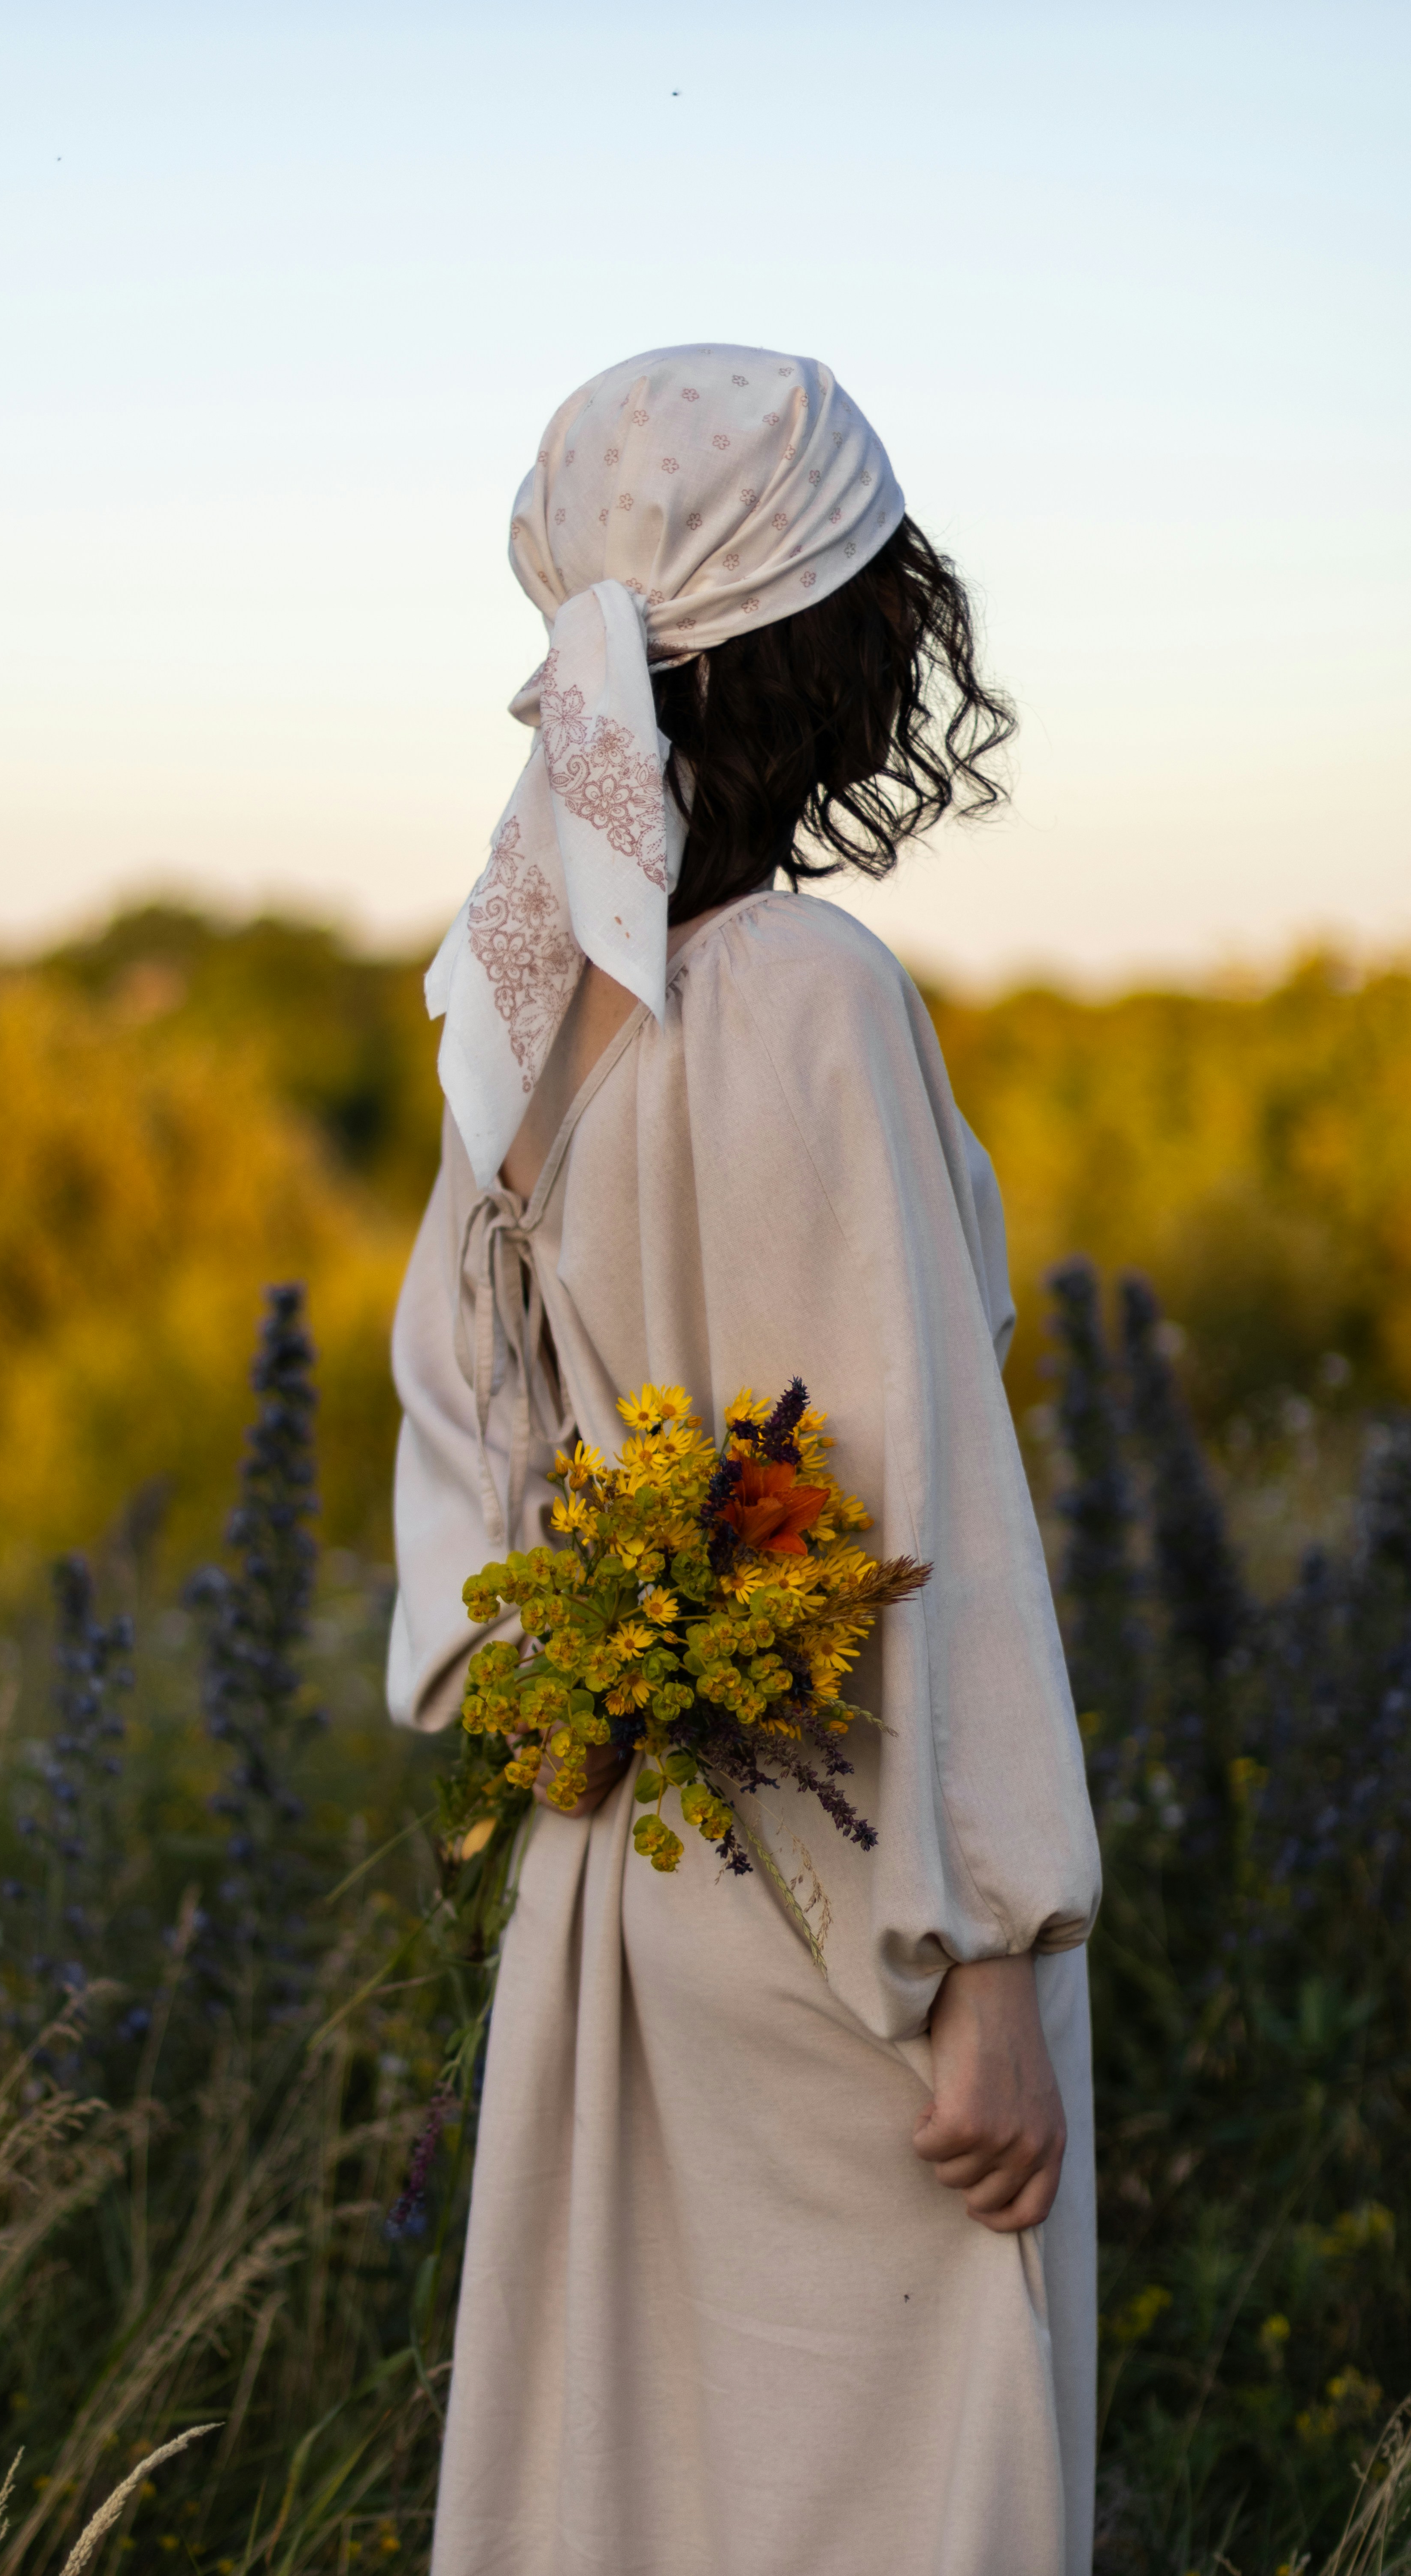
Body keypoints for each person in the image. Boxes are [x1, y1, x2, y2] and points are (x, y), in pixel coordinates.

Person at [387, 344, 1103, 2576]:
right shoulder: (802, 986)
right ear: (831, 644)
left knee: (655, 2492)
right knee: (899, 2509)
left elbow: (464, 1458)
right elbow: (922, 1492)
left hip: (631, 1869)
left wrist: (587, 1699)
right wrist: (987, 1955)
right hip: (850, 1906)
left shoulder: (528, 1023)